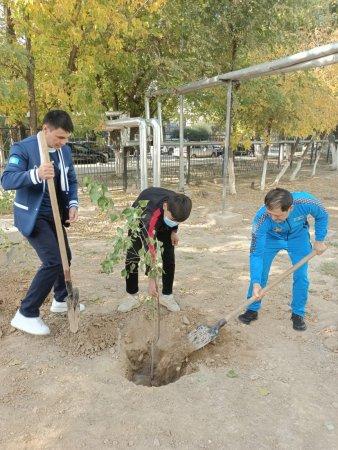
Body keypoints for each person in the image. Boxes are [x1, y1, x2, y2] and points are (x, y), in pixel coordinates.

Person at [1, 110, 85, 336]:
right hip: (32, 215)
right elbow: (6, 180)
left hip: (55, 214)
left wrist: (73, 204)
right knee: (53, 261)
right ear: (45, 129)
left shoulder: (64, 150)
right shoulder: (24, 148)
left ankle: (60, 298)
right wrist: (35, 174)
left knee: (65, 257)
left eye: (66, 138)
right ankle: (26, 313)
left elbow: (72, 179)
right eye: (59, 137)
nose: (63, 143)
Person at [238, 188, 328, 331]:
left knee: (301, 276)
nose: (273, 218)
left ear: (290, 208)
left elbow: (322, 214)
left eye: (278, 216)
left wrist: (319, 240)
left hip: (298, 237)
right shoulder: (261, 218)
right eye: (270, 214)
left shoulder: (306, 201)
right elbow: (256, 254)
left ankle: (298, 313)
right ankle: (252, 309)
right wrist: (255, 282)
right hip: (271, 238)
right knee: (260, 275)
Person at [118, 187, 192, 313]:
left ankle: (167, 296)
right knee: (132, 256)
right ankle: (132, 296)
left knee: (168, 256)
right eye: (173, 220)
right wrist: (152, 279)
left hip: (163, 220)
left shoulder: (177, 204)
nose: (174, 222)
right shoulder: (150, 216)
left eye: (178, 221)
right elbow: (150, 249)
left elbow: (176, 218)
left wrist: (173, 231)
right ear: (165, 206)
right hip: (140, 220)